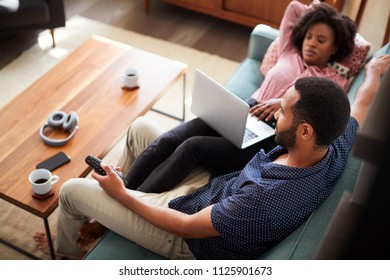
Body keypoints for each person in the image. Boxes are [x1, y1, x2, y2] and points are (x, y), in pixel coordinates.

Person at [33, 55, 390, 259]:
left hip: (188, 238)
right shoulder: (335, 142)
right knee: (141, 128)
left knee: (72, 190)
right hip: (210, 192)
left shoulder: (265, 199)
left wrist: (121, 195)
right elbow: (360, 101)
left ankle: (67, 254)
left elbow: (186, 228)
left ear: (306, 131)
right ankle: (111, 205)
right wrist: (373, 71)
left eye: (282, 111)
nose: (274, 112)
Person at [121, 0, 357, 194]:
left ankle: (130, 200)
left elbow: (327, 111)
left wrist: (283, 101)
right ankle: (122, 188)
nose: (312, 43)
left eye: (321, 40)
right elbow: (294, 7)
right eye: (309, 36)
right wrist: (325, 13)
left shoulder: (332, 80)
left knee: (191, 147)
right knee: (168, 139)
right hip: (245, 110)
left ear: (335, 48)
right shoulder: (289, 51)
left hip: (273, 134)